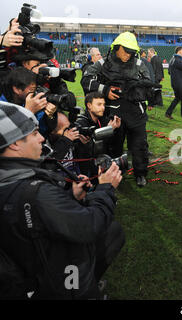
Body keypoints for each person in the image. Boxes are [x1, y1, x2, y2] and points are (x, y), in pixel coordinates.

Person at [0, 101, 125, 299]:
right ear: (14, 144)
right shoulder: (35, 193)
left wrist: (70, 196)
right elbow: (89, 226)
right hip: (57, 278)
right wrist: (105, 189)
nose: (42, 138)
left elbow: (30, 219)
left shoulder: (11, 179)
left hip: (30, 269)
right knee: (112, 233)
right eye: (33, 133)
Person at [81, 32, 153, 187]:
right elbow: (85, 80)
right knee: (114, 147)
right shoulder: (102, 63)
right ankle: (115, 174)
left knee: (139, 146)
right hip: (113, 115)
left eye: (132, 52)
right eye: (126, 51)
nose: (129, 55)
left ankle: (140, 173)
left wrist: (134, 91)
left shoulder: (139, 64)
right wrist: (105, 90)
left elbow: (148, 85)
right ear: (117, 48)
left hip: (136, 114)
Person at [74, 92, 121, 179]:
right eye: (99, 104)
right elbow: (90, 145)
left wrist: (115, 128)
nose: (103, 108)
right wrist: (108, 130)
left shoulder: (102, 119)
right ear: (89, 106)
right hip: (85, 165)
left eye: (104, 104)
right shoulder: (81, 122)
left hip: (99, 160)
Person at [0, 67, 57, 138]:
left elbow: (42, 131)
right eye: (32, 89)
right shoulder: (2, 108)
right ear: (17, 89)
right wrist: (28, 111)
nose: (35, 93)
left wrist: (49, 116)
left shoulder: (26, 101)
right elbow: (8, 137)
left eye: (36, 89)